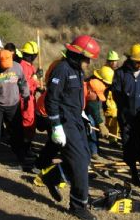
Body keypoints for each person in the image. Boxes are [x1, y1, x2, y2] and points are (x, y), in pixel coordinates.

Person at [44, 35, 100, 220]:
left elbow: (73, 98)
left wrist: (83, 116)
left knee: (85, 156)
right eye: (87, 59)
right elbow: (51, 99)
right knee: (80, 162)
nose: (89, 62)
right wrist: (56, 126)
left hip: (76, 120)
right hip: (64, 122)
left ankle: (53, 176)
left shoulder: (78, 70)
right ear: (77, 55)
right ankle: (78, 205)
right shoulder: (62, 70)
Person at [111, 43, 140, 188]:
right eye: (138, 61)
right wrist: (124, 110)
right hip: (127, 119)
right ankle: (133, 172)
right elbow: (116, 94)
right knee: (129, 148)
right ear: (131, 60)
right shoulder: (120, 74)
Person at [100, 51, 121, 144]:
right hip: (106, 96)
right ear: (108, 61)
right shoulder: (105, 70)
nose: (114, 63)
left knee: (114, 117)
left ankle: (112, 138)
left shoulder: (116, 71)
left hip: (113, 96)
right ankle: (110, 137)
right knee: (111, 116)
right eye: (111, 61)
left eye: (115, 61)